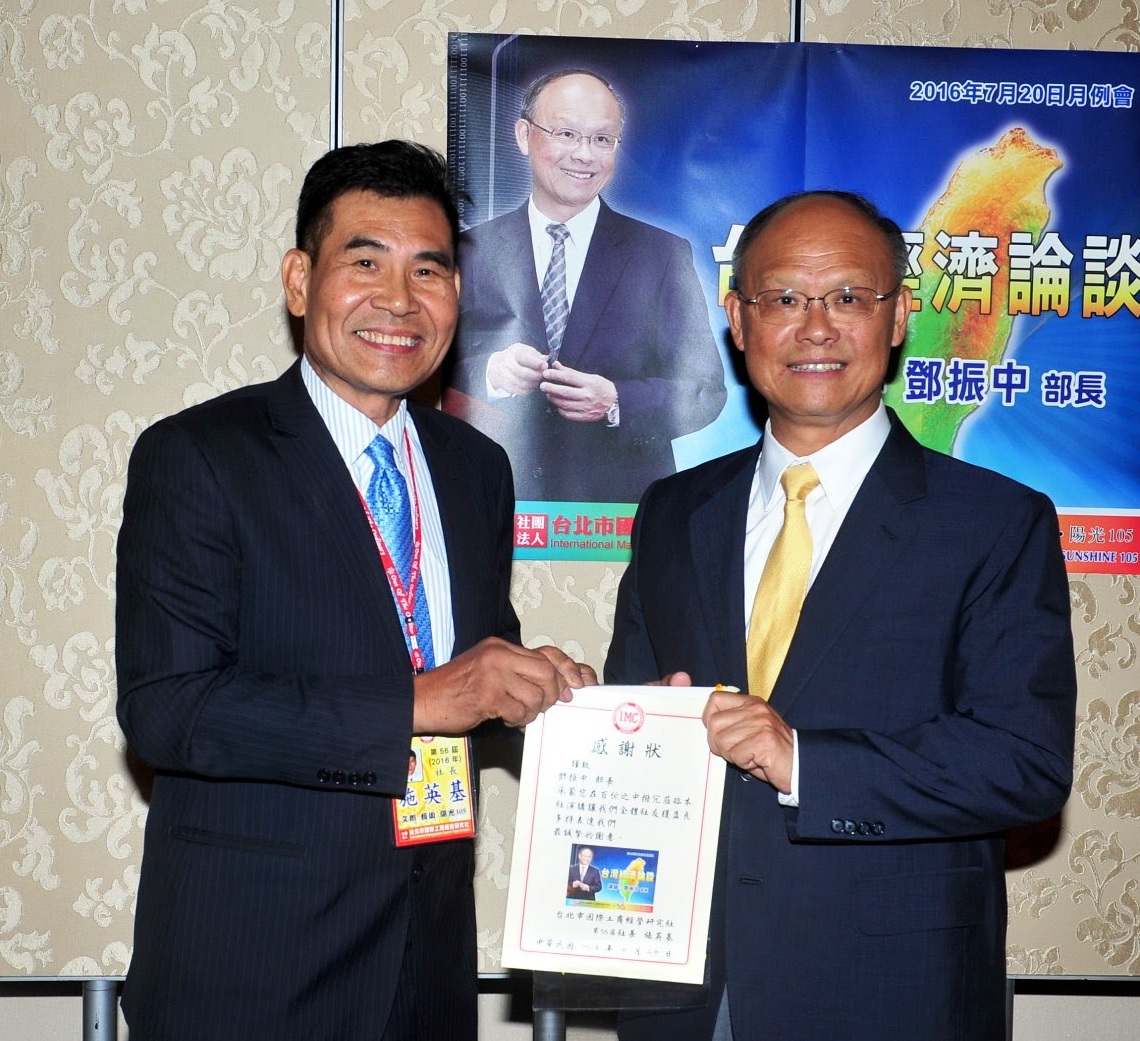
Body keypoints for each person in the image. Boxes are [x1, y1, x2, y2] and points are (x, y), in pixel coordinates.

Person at [115, 140, 597, 1041]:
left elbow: (462, 673)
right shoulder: (200, 456)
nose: (399, 300)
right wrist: (420, 700)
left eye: (429, 269)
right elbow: (168, 710)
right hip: (253, 974)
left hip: (426, 968)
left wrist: (536, 687)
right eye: (364, 262)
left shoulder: (476, 468)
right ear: (300, 281)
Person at [604, 190, 1076, 1041]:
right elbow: (632, 723)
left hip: (889, 991)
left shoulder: (994, 521)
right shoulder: (672, 511)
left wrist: (803, 762)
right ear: (738, 320)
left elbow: (1023, 762)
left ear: (898, 316)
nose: (815, 328)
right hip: (685, 987)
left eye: (849, 297)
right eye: (783, 297)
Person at [446, 69, 726, 503]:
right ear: (524, 136)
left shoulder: (661, 253)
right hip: (491, 499)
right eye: (566, 134)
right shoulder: (468, 251)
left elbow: (705, 389)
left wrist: (616, 400)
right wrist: (491, 373)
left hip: (616, 513)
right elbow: (426, 369)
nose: (584, 155)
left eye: (601, 139)